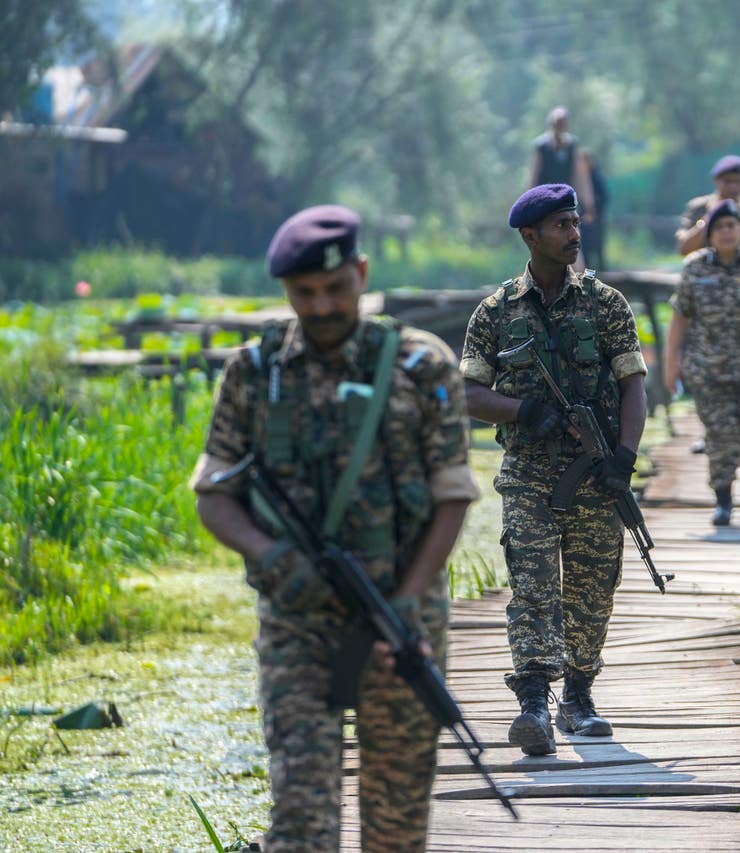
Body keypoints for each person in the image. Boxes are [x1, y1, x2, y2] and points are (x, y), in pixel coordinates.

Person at [190, 205, 479, 852]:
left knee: (396, 824)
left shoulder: (420, 366)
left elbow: (453, 495)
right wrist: (274, 556)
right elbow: (214, 495)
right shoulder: (255, 372)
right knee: (300, 820)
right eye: (304, 294)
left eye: (335, 288)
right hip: (299, 622)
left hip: (399, 621)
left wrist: (408, 599)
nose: (321, 306)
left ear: (362, 272)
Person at [460, 183, 647, 757]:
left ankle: (580, 695)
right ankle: (534, 701)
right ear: (530, 235)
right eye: (562, 225)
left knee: (593, 592)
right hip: (529, 476)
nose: (573, 234)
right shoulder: (495, 312)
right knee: (534, 587)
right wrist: (525, 412)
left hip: (597, 476)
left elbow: (634, 387)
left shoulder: (606, 304)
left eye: (575, 223)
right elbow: (468, 393)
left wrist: (624, 458)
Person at [663, 199, 740, 526]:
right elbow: (680, 318)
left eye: (731, 225)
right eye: (719, 227)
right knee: (719, 436)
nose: (726, 232)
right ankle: (723, 498)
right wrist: (670, 362)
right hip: (708, 369)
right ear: (709, 233)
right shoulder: (694, 268)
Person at [675, 155, 740, 257]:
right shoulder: (699, 207)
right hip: (706, 269)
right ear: (716, 181)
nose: (733, 186)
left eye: (738, 181)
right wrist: (707, 221)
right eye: (727, 181)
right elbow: (684, 249)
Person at [528, 106, 596, 227]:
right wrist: (530, 201)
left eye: (563, 123)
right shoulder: (541, 146)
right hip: (545, 200)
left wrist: (588, 204)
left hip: (566, 200)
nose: (559, 126)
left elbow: (580, 177)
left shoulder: (572, 145)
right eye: (557, 123)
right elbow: (534, 176)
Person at [580, 148, 609, 271]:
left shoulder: (597, 177)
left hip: (597, 218)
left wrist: (594, 207)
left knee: (598, 245)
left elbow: (605, 196)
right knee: (585, 245)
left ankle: (602, 270)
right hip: (583, 218)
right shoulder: (580, 178)